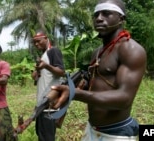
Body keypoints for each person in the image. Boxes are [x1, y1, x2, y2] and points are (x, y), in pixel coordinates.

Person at [51, 0, 147, 140]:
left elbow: (124, 99)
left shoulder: (130, 49)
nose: (99, 18)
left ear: (121, 19)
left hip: (116, 133)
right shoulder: (97, 52)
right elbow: (98, 83)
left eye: (106, 13)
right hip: (92, 129)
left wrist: (75, 93)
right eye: (96, 15)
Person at [31, 31, 65, 141]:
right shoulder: (44, 54)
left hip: (50, 105)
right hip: (42, 104)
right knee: (41, 135)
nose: (36, 44)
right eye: (34, 42)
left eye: (38, 41)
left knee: (47, 137)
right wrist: (36, 74)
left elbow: (61, 71)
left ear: (46, 38)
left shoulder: (53, 51)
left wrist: (45, 66)